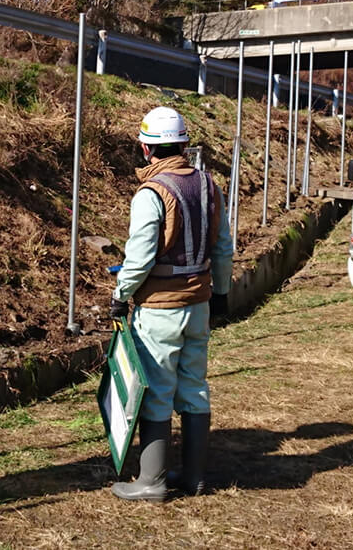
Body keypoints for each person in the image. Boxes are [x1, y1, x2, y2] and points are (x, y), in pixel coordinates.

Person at [108, 106, 234, 503]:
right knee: (195, 388)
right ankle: (194, 476)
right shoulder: (210, 186)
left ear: (146, 149)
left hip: (160, 308)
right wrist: (223, 293)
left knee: (158, 391)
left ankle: (153, 480)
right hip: (199, 304)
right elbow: (224, 248)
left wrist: (120, 294)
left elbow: (140, 257)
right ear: (183, 143)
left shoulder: (152, 193)